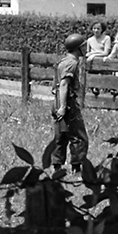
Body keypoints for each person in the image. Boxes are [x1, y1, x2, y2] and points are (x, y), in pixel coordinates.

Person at [46, 33, 88, 171]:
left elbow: (55, 87)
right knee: (78, 136)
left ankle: (56, 166)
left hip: (57, 100)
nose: (86, 48)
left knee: (61, 136)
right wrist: (64, 106)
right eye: (83, 46)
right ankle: (76, 167)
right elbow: (64, 84)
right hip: (67, 102)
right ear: (77, 48)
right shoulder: (72, 63)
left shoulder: (63, 61)